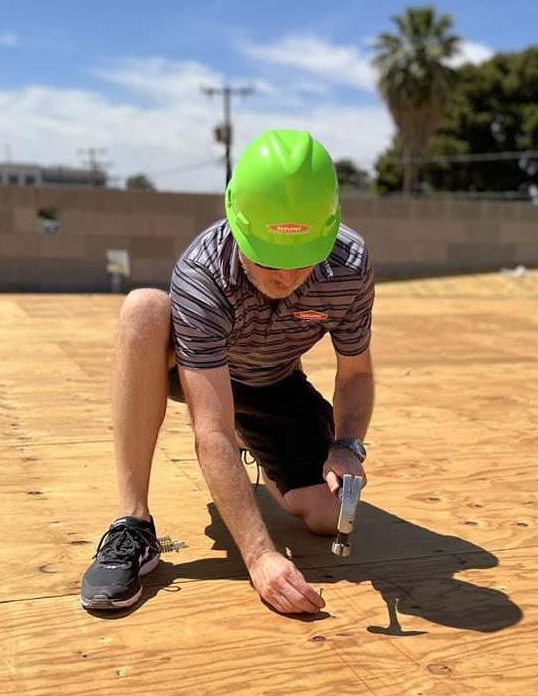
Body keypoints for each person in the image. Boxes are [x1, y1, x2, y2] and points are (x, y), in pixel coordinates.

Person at [81, 129, 375, 615]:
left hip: (275, 382)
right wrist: (259, 556)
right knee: (144, 309)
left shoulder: (350, 265)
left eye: (303, 263)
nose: (286, 279)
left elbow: (357, 375)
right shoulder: (204, 272)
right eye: (268, 261)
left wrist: (346, 447)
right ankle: (131, 521)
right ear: (237, 225)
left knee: (327, 517)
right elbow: (210, 430)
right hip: (197, 374)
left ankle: (256, 438)